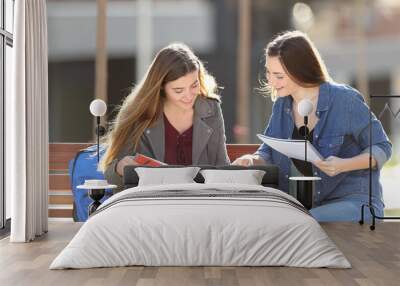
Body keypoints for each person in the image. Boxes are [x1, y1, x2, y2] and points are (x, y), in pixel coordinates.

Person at [233, 31, 392, 222]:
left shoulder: (344, 100)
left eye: (279, 76)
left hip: (354, 203)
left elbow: (382, 147)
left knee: (299, 221)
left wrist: (344, 165)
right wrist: (252, 160)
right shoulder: (282, 105)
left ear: (300, 71)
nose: (271, 82)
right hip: (306, 207)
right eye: (268, 72)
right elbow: (268, 149)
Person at [100, 43, 230, 189]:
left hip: (201, 201)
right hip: (153, 203)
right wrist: (119, 168)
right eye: (178, 90)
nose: (189, 96)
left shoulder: (210, 109)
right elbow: (110, 175)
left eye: (194, 85)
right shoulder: (139, 112)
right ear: (161, 86)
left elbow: (222, 166)